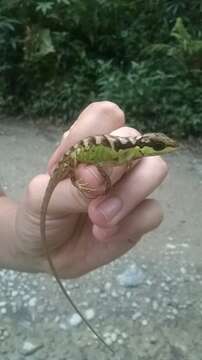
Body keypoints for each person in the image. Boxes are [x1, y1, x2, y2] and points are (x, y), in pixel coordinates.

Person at [0, 101, 168, 277]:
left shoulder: (128, 152)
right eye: (159, 147)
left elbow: (108, 161)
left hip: (37, 241)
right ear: (145, 147)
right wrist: (86, 181)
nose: (164, 149)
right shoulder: (126, 152)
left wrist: (23, 249)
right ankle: (78, 182)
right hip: (74, 158)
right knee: (88, 174)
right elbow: (103, 163)